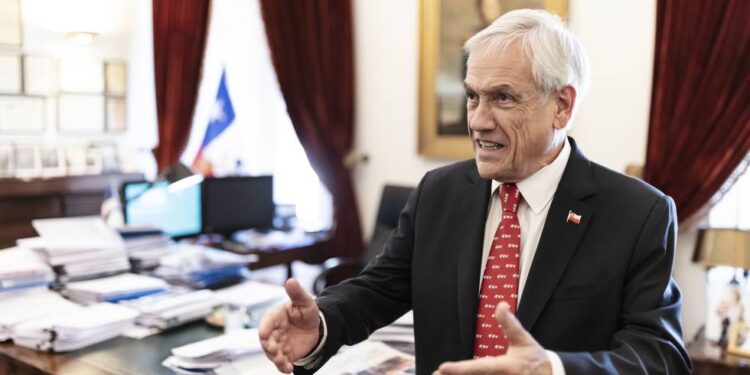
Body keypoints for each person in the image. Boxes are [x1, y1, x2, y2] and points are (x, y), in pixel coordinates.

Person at [259, 9, 692, 375]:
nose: (478, 121)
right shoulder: (439, 192)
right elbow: (379, 289)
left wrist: (554, 368)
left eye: (502, 98)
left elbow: (661, 354)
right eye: (472, 97)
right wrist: (323, 323)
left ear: (561, 105)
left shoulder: (638, 214)